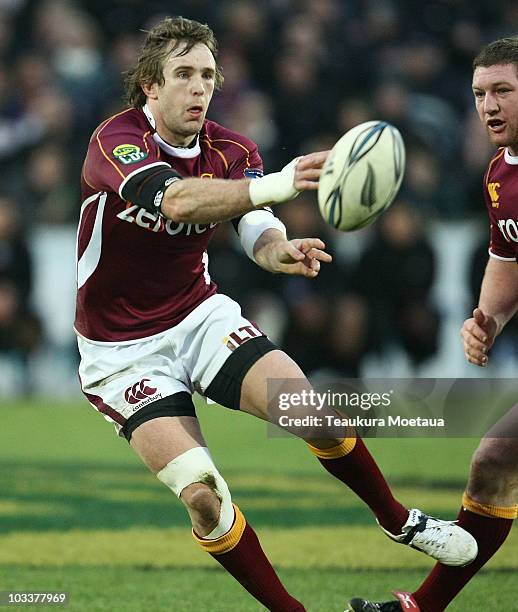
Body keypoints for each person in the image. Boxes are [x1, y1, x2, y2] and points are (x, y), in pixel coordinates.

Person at [76, 16, 476, 611]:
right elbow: (180, 199)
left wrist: (279, 250)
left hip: (197, 316)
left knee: (312, 411)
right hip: (119, 353)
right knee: (205, 499)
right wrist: (280, 185)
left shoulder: (234, 149)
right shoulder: (116, 140)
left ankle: (398, 520)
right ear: (151, 88)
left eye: (207, 75)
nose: (198, 88)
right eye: (182, 74)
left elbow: (255, 225)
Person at [347, 36, 518, 612]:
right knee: (494, 462)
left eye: (503, 90)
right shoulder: (500, 174)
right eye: (479, 94)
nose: (488, 105)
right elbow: (506, 257)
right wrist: (489, 318)